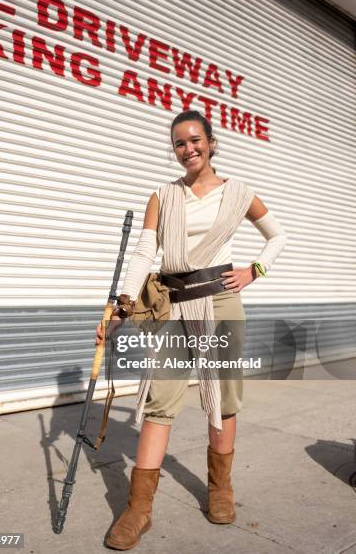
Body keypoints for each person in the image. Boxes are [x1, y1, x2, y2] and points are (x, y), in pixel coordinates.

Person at [95, 110, 287, 550]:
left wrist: (255, 269)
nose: (188, 149)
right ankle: (138, 509)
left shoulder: (237, 193)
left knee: (225, 394)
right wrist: (121, 307)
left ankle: (220, 488)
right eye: (179, 143)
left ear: (212, 142)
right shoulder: (162, 196)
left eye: (195, 140)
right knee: (161, 399)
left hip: (221, 301)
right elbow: (145, 255)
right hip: (173, 304)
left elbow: (278, 236)